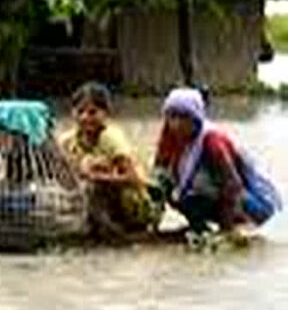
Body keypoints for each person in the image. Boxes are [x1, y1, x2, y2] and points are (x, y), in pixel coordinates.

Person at [153, 87, 281, 236]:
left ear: (195, 118)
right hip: (214, 195)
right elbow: (159, 171)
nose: (176, 123)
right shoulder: (171, 135)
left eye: (183, 117)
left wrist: (226, 233)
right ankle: (200, 228)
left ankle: (224, 228)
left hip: (249, 203)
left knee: (192, 196)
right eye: (172, 117)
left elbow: (232, 186)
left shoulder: (212, 141)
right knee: (167, 185)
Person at [59, 82, 160, 239]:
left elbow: (133, 178)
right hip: (97, 200)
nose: (86, 118)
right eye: (80, 112)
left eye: (93, 112)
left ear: (105, 113)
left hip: (132, 202)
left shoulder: (111, 139)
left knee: (91, 186)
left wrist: (95, 177)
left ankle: (116, 230)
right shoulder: (68, 141)